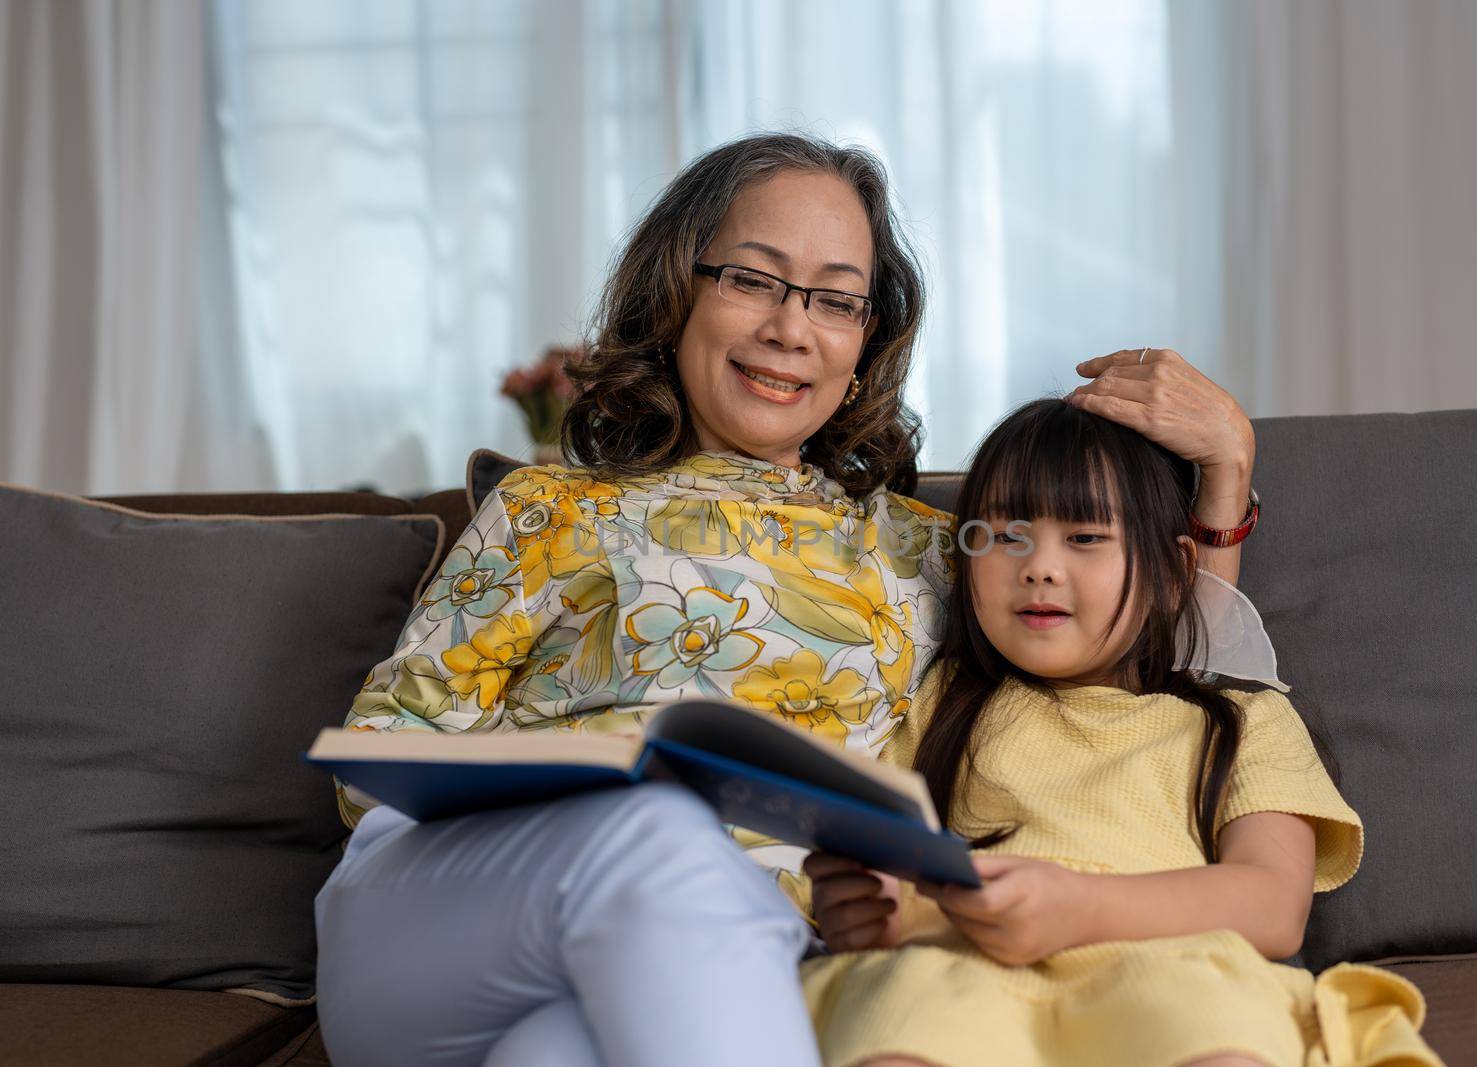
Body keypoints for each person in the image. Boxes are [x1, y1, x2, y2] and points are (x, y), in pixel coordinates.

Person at [313, 132, 1259, 1067]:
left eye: (836, 301)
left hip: (741, 958)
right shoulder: (546, 507)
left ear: (865, 343)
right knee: (653, 830)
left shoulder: (932, 549)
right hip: (452, 925)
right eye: (752, 280)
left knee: (554, 1053)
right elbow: (382, 769)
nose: (790, 328)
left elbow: (1158, 676)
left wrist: (1224, 473)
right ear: (677, 291)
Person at [802, 398, 1441, 1067]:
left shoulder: (1240, 721)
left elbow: (1273, 906)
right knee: (894, 1030)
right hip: (964, 974)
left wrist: (1078, 905)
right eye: (1007, 536)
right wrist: (868, 915)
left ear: (1172, 574)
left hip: (1168, 971)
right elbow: (896, 880)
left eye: (1083, 537)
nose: (1039, 566)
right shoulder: (939, 704)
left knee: (1224, 1040)